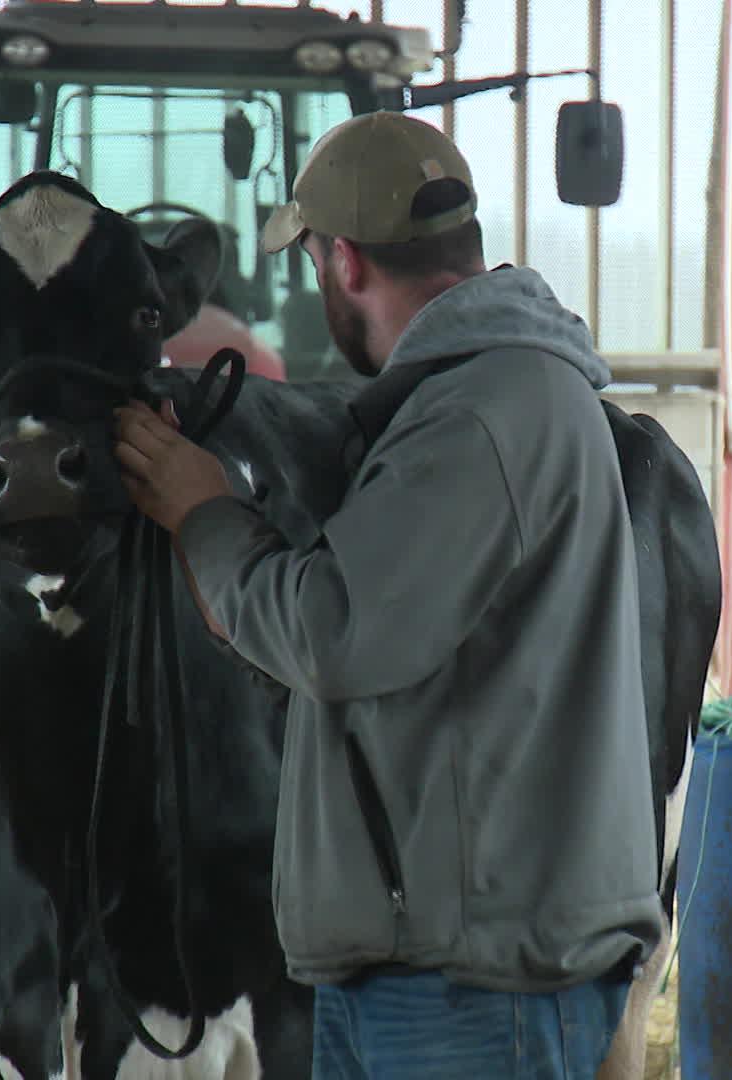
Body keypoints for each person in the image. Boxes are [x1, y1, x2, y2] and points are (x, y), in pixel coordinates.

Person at [112, 110, 661, 1079]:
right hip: (438, 956)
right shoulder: (479, 399)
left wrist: (208, 515)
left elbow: (337, 633)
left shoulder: (481, 415)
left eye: (315, 264)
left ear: (345, 263)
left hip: (473, 981)